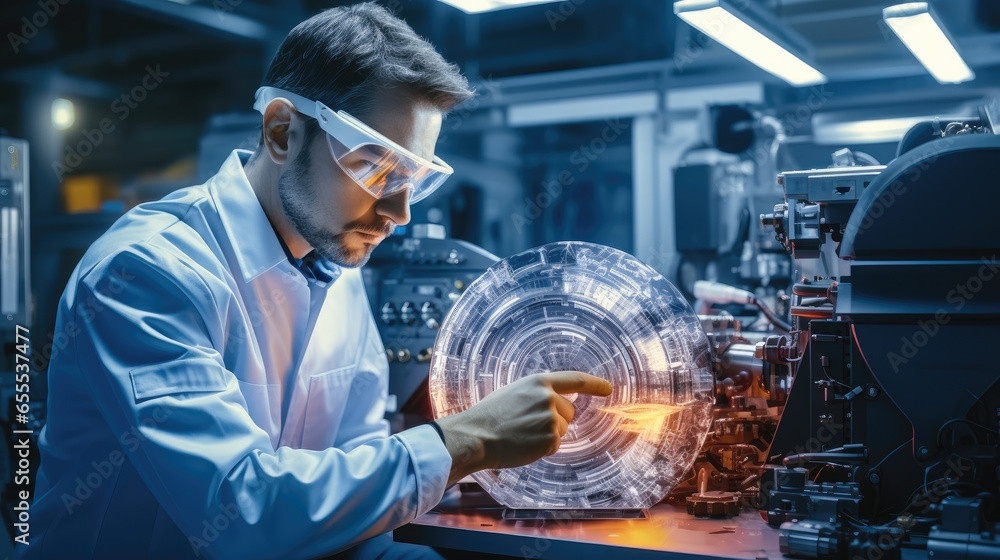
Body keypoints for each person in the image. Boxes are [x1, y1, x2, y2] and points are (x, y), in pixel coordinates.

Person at [17, 3, 612, 559]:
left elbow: (348, 488)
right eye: (377, 167)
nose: (401, 211)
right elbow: (239, 512)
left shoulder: (336, 270)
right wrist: (466, 438)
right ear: (281, 131)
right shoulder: (145, 273)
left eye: (416, 179)